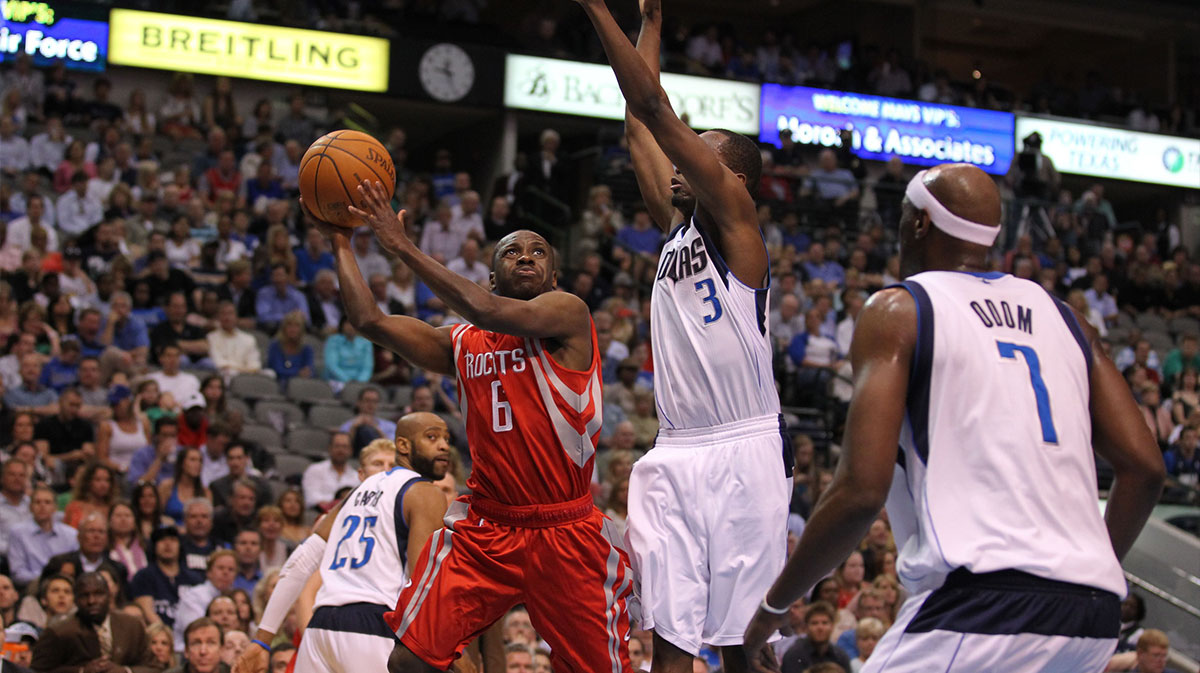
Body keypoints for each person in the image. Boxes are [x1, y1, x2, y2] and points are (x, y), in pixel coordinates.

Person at [743, 164, 1166, 673]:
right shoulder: (1063, 315)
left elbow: (860, 491)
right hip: (1091, 616)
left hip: (983, 605)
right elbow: (1146, 468)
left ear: (919, 223)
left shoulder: (900, 310)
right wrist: (1080, 571)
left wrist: (773, 606)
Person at [309, 178, 633, 673]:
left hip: (565, 530)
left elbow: (485, 309)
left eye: (538, 251)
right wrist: (340, 239)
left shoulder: (569, 314)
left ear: (552, 274)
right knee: (408, 663)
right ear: (491, 274)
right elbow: (370, 320)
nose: (526, 256)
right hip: (486, 528)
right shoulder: (461, 343)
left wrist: (402, 248)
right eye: (512, 251)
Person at [583, 1, 785, 669]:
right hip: (674, 450)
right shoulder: (676, 227)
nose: (679, 162)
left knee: (740, 645)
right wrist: (652, 21)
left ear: (734, 180)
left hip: (742, 448)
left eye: (699, 155)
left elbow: (656, 109)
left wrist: (592, 8)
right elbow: (638, 119)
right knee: (669, 636)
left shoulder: (736, 221)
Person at [234, 412, 453, 673]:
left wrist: (262, 639)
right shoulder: (426, 493)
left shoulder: (357, 492)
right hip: (374, 624)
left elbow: (300, 562)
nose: (443, 445)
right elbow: (424, 583)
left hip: (320, 628)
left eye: (447, 439)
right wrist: (453, 650)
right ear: (404, 446)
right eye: (432, 437)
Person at [29, 572, 159, 673]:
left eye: (98, 594)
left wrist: (125, 671)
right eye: (84, 595)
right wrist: (82, 671)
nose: (92, 601)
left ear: (109, 595)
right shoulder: (59, 632)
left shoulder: (132, 625)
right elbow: (36, 671)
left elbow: (155, 667)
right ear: (76, 599)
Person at [8, 483, 79, 586]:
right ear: (31, 507)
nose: (42, 506)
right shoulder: (18, 532)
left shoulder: (71, 534)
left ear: (55, 507)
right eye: (38, 502)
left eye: (47, 502)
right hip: (33, 587)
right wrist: (46, 579)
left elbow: (76, 567)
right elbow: (18, 574)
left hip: (66, 585)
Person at [132, 526, 198, 628]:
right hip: (157, 636)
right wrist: (167, 635)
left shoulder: (194, 579)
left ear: (180, 545)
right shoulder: (144, 576)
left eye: (173, 540)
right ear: (154, 546)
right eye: (162, 540)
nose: (167, 544)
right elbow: (147, 611)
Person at [174, 550, 237, 652]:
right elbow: (196, 632)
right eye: (220, 568)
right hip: (187, 652)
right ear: (209, 572)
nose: (226, 572)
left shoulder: (234, 597)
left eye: (231, 569)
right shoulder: (194, 596)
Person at [778, 601, 851, 673]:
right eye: (814, 623)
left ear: (832, 626)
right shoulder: (794, 655)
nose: (820, 628)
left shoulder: (840, 656)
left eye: (825, 623)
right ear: (806, 627)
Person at [300, 433, 358, 511]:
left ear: (351, 450)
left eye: (345, 447)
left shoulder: (356, 476)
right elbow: (311, 498)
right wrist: (338, 503)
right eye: (337, 446)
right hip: (319, 514)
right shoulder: (314, 470)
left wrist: (331, 503)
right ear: (330, 448)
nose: (340, 450)